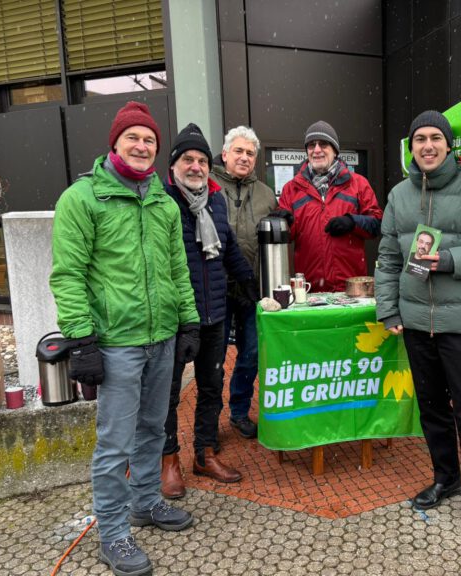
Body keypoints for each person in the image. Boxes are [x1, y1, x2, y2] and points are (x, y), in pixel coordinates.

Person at [50, 101, 200, 576]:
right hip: (115, 342)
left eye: (149, 140)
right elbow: (67, 274)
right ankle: (113, 532)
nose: (141, 146)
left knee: (153, 429)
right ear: (114, 144)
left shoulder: (162, 201)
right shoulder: (83, 199)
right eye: (132, 137)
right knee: (114, 443)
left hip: (161, 338)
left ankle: (145, 502)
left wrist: (190, 321)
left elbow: (178, 268)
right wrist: (81, 340)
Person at [374, 110, 461, 539]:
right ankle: (446, 478)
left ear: (449, 145)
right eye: (420, 139)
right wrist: (388, 308)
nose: (428, 146)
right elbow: (388, 257)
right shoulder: (399, 195)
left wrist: (451, 260)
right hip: (417, 322)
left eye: (436, 138)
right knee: (433, 410)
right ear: (411, 147)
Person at [161, 124, 258, 500]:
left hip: (215, 311)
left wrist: (247, 279)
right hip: (175, 317)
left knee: (211, 386)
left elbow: (229, 244)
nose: (196, 166)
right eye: (188, 159)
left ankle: (203, 452)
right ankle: (168, 461)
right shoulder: (163, 201)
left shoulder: (214, 200)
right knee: (168, 394)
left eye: (201, 160)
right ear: (174, 164)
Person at [211, 126, 277, 439]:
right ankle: (208, 420)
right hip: (216, 290)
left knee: (251, 354)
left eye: (250, 153)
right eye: (238, 151)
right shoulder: (207, 187)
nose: (244, 157)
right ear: (225, 154)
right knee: (213, 360)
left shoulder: (266, 194)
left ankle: (239, 412)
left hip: (254, 288)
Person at [277, 120, 383, 292]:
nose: (317, 150)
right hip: (309, 289)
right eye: (311, 145)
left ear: (335, 150)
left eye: (323, 144)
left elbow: (377, 224)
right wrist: (284, 224)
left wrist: (352, 222)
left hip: (351, 289)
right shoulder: (291, 189)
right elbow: (285, 237)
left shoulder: (358, 184)